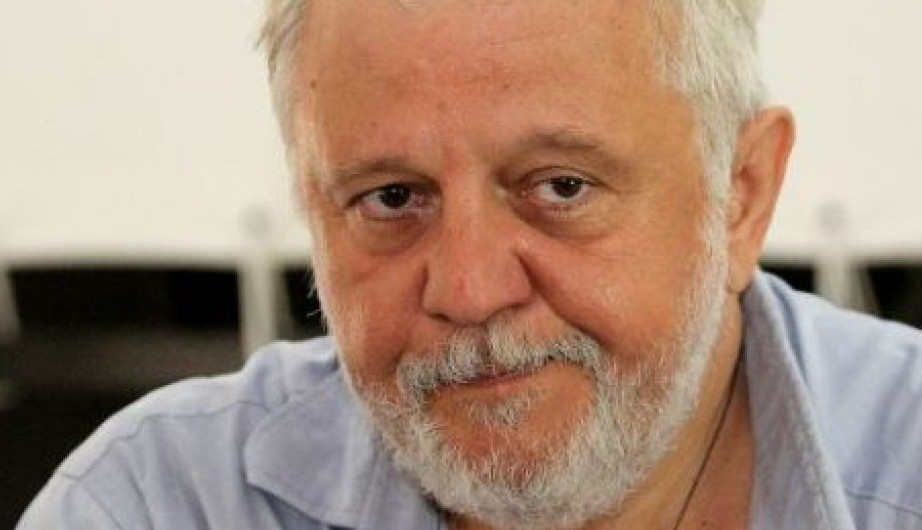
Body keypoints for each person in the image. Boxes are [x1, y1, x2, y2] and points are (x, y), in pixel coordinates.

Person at [17, 0, 922, 528]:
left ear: (742, 195)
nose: (469, 289)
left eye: (560, 187)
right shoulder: (163, 502)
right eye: (391, 198)